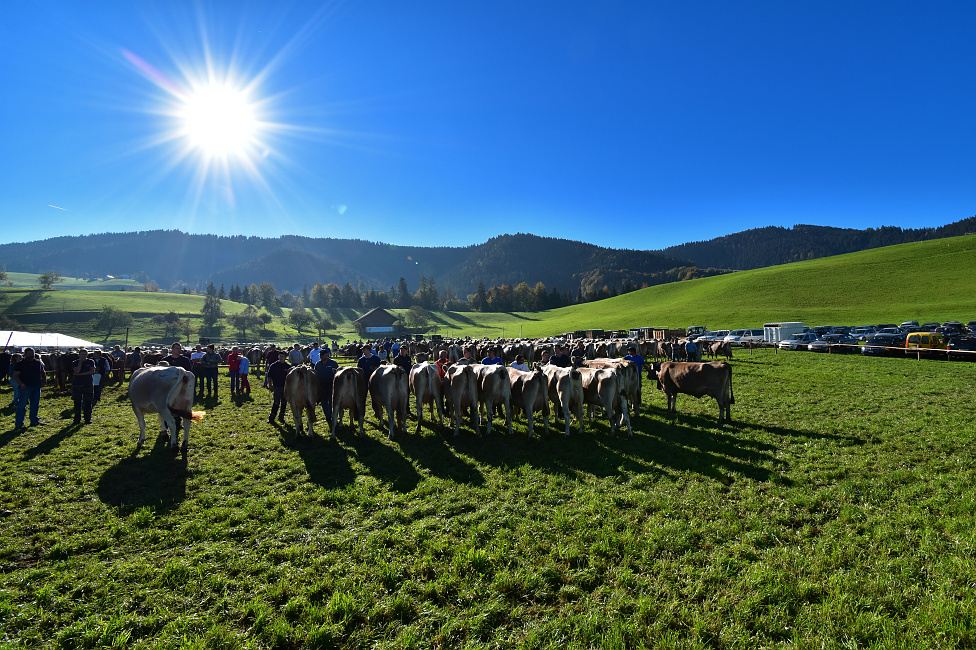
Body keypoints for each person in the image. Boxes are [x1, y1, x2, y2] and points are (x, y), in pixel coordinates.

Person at [11, 347, 47, 428]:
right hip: (25, 387)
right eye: (29, 354)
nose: (31, 355)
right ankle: (19, 424)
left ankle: (34, 421)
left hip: (36, 386)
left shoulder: (38, 362)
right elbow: (15, 376)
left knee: (35, 405)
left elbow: (42, 372)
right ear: (25, 354)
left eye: (32, 354)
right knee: (22, 405)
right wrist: (21, 384)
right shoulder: (20, 364)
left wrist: (44, 381)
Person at [314, 348, 339, 424]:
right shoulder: (318, 364)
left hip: (331, 385)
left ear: (327, 355)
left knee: (332, 401)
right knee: (324, 402)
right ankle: (328, 416)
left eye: (323, 355)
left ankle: (333, 415)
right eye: (320, 355)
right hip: (322, 386)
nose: (321, 356)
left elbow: (337, 374)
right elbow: (315, 374)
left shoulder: (333, 363)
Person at [71, 348, 96, 424]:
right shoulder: (75, 362)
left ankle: (87, 418)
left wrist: (80, 374)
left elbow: (92, 371)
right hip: (77, 384)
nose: (83, 356)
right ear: (79, 355)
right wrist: (80, 363)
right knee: (77, 401)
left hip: (88, 383)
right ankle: (77, 418)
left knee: (88, 401)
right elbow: (76, 371)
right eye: (82, 355)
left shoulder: (91, 362)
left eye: (85, 354)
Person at [267, 351, 291, 424]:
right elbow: (269, 376)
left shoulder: (288, 367)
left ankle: (281, 416)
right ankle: (272, 417)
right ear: (278, 357)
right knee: (276, 402)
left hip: (285, 388)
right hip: (276, 387)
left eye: (282, 356)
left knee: (284, 403)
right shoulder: (274, 365)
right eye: (280, 356)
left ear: (285, 357)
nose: (281, 358)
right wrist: (270, 384)